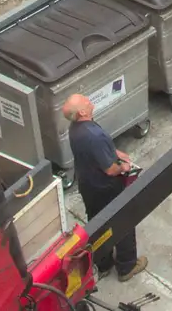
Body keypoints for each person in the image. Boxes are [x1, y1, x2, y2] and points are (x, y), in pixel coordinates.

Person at [62, 93, 147, 282]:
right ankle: (127, 266)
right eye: (85, 100)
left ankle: (103, 263)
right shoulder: (94, 135)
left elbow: (98, 151)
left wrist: (115, 153)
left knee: (98, 223)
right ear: (83, 111)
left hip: (88, 186)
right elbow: (110, 169)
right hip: (107, 187)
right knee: (123, 221)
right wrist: (123, 166)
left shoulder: (76, 128)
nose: (88, 99)